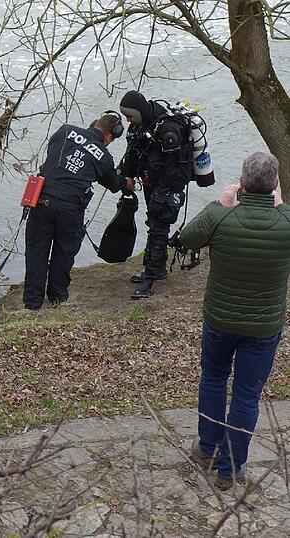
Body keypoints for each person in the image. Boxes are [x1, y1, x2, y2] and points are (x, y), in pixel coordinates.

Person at [179, 152, 290, 490]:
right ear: (274, 185)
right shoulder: (287, 220)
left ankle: (208, 450)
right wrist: (281, 206)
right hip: (263, 326)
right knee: (246, 396)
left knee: (213, 379)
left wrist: (218, 202)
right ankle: (230, 469)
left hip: (220, 320)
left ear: (241, 183)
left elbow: (186, 239)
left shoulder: (222, 217)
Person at [23, 113, 130, 310]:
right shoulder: (103, 156)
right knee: (64, 253)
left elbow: (52, 154)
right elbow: (113, 184)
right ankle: (57, 298)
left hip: (42, 201)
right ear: (110, 136)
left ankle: (32, 304)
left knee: (36, 252)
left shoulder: (64, 131)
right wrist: (127, 183)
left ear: (94, 124)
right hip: (70, 209)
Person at [119, 90, 194, 299]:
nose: (128, 120)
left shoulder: (167, 129)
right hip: (151, 181)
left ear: (139, 111)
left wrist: (161, 194)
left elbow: (172, 167)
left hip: (169, 185)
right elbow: (133, 153)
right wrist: (127, 176)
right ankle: (157, 269)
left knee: (159, 227)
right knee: (153, 223)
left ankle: (150, 279)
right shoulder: (142, 125)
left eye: (130, 116)